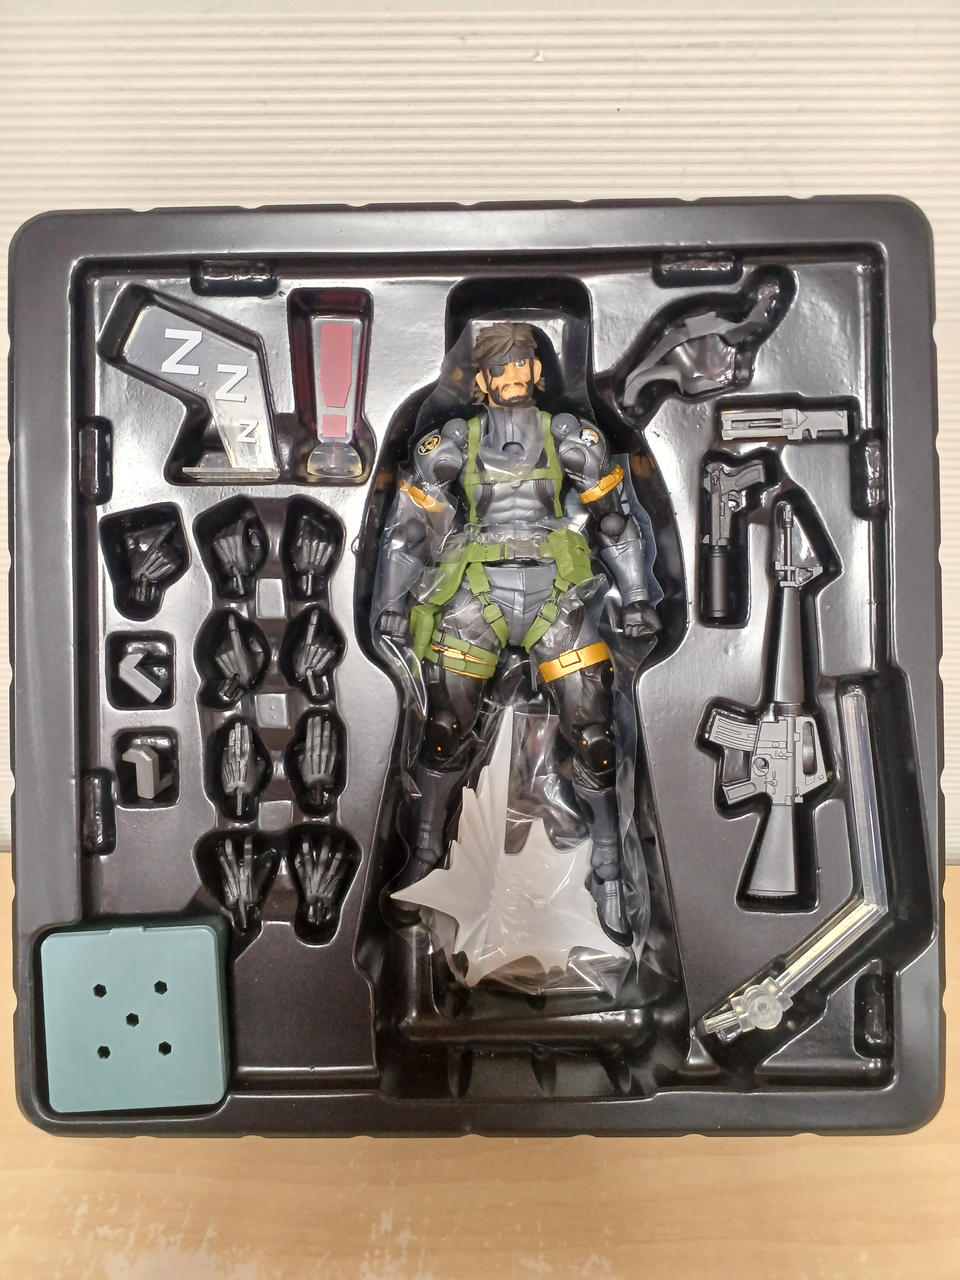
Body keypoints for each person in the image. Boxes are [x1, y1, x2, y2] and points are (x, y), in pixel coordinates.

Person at [376, 322, 660, 944]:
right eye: (500, 365)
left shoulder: (570, 437)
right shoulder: (453, 442)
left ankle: (609, 871)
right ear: (480, 378)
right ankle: (424, 853)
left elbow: (615, 523)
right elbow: (409, 529)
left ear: (536, 370)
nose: (513, 375)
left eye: (522, 362)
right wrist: (394, 602)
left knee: (596, 738)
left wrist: (637, 595)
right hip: (476, 592)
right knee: (443, 732)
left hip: (556, 592)